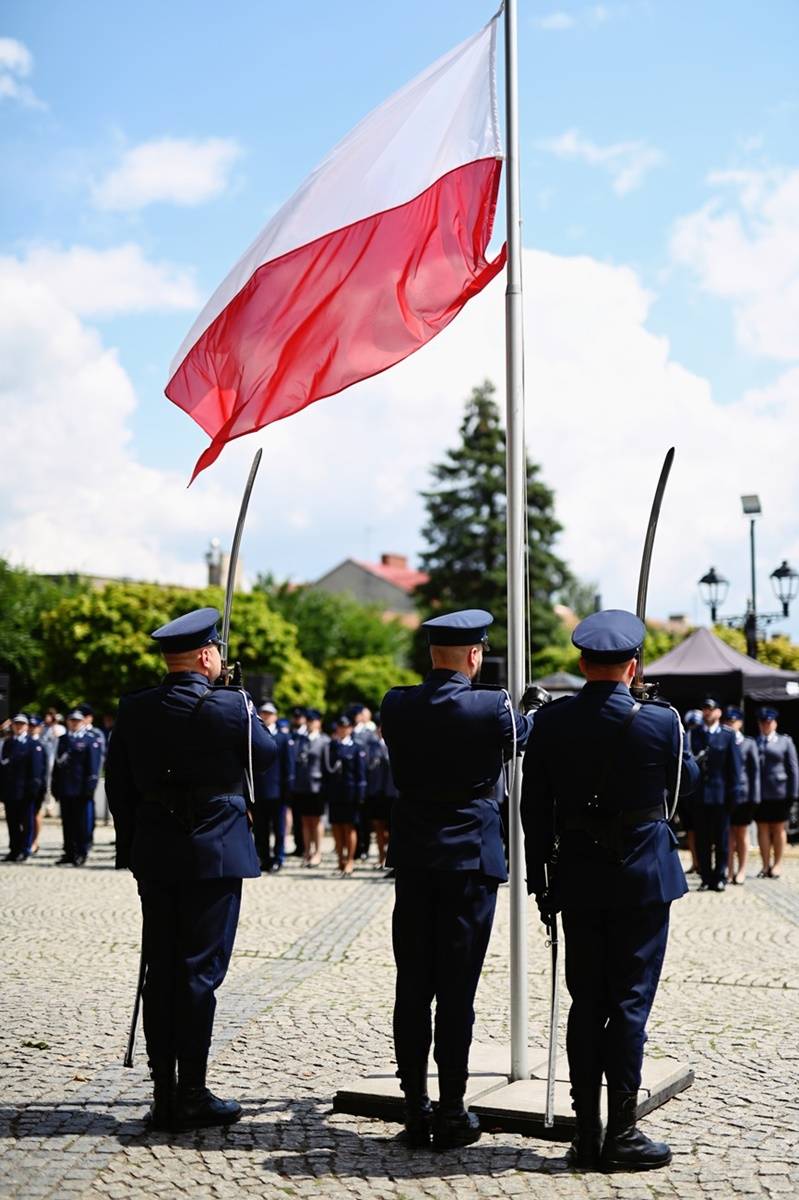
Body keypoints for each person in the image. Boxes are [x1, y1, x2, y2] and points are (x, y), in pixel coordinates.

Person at [521, 609, 699, 1172]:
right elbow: (684, 788)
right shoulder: (662, 721)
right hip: (643, 876)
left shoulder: (552, 722)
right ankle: (621, 1131)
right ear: (633, 666)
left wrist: (540, 880)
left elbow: (533, 808)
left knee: (587, 1002)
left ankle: (586, 1132)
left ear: (582, 664)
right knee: (629, 1003)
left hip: (578, 877)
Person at [105, 606, 277, 1131]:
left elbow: (118, 785)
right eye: (217, 653)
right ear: (206, 656)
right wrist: (239, 699)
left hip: (156, 853)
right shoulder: (230, 704)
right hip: (214, 854)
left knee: (160, 971)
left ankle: (164, 1093)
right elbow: (267, 754)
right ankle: (193, 1093)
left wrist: (134, 846)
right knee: (199, 973)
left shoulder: (135, 707)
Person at [381, 609, 537, 1151]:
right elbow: (521, 738)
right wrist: (530, 709)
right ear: (475, 655)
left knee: (412, 985)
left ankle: (414, 1106)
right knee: (456, 989)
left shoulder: (396, 703)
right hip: (469, 859)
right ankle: (451, 1107)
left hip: (416, 858)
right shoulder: (492, 705)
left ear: (432, 654)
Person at [688, 697, 741, 893]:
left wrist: (733, 795)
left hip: (721, 796)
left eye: (711, 708)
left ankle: (720, 876)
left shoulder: (727, 735)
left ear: (718, 712)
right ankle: (705, 877)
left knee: (721, 839)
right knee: (702, 840)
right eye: (705, 708)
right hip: (700, 796)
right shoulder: (695, 734)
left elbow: (734, 769)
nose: (707, 712)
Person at [52, 710, 102, 866]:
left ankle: (81, 852)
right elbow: (57, 766)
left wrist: (90, 786)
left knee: (81, 823)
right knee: (67, 822)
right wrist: (55, 785)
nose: (74, 723)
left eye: (77, 720)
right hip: (65, 787)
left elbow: (93, 766)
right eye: (71, 720)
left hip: (81, 789)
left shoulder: (90, 740)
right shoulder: (63, 739)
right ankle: (69, 852)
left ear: (83, 722)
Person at [755, 706, 798, 879]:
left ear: (775, 723)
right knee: (762, 828)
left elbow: (793, 768)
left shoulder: (785, 741)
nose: (766, 725)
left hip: (780, 792)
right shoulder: (754, 742)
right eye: (763, 722)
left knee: (779, 828)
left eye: (769, 722)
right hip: (760, 793)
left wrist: (794, 793)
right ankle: (765, 865)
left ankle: (777, 864)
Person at [252, 702, 295, 872]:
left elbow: (289, 766)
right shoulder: (255, 734)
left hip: (278, 791)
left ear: (275, 716)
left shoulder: (283, 738)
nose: (266, 716)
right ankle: (264, 857)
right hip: (259, 789)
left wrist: (288, 790)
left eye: (269, 714)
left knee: (279, 828)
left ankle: (278, 857)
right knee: (260, 828)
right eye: (263, 713)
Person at [322, 715, 367, 875]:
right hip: (335, 793)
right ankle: (340, 860)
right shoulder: (331, 747)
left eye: (345, 727)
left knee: (349, 828)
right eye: (340, 727)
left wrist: (360, 795)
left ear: (350, 728)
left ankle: (350, 860)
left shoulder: (356, 748)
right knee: (336, 827)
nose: (342, 730)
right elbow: (327, 772)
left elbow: (361, 774)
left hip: (350, 793)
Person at [722, 706, 760, 884]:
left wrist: (755, 796)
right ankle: (729, 870)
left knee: (742, 833)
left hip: (744, 795)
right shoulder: (722, 740)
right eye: (728, 721)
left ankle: (742, 870)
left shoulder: (749, 743)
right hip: (726, 795)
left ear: (740, 723)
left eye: (734, 721)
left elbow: (754, 772)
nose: (731, 724)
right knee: (729, 834)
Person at [0, 713, 45, 862]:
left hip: (26, 791)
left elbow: (36, 771)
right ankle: (14, 849)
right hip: (10, 791)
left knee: (26, 822)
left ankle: (24, 849)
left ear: (26, 726)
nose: (18, 727)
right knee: (12, 822)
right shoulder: (8, 743)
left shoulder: (33, 744)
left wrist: (33, 790)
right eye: (16, 724)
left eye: (22, 724)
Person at [292, 708, 329, 867]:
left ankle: (318, 852)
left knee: (316, 819)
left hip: (317, 785)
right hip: (302, 784)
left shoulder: (324, 740)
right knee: (305, 820)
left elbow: (327, 765)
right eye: (308, 721)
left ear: (319, 722)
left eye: (313, 721)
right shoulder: (301, 739)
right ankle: (307, 851)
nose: (310, 724)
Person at [369, 719, 397, 869]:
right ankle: (381, 856)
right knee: (378, 826)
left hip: (391, 792)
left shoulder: (395, 744)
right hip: (376, 791)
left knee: (392, 828)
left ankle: (390, 859)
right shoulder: (372, 746)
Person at [26, 714, 48, 854]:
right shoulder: (23, 740)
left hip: (39, 783)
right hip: (23, 784)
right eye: (30, 726)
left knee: (36, 813)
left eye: (35, 726)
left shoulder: (43, 743)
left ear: (40, 728)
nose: (32, 728)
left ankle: (35, 841)